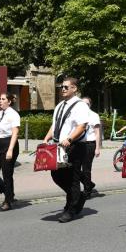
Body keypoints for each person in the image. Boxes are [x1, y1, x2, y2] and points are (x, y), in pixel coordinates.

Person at [42, 77, 90, 223]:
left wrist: (69, 139)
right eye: (61, 87)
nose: (62, 89)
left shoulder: (80, 105)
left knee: (72, 178)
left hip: (74, 146)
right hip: (58, 146)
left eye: (66, 87)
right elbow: (55, 125)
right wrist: (46, 138)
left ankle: (71, 210)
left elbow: (81, 126)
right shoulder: (60, 106)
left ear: (74, 89)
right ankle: (77, 197)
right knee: (56, 175)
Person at [0, 93, 21, 210]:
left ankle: (8, 201)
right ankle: (9, 193)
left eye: (3, 99)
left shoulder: (13, 114)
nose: (0, 101)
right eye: (0, 99)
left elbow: (15, 133)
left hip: (9, 144)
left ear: (9, 101)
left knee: (7, 174)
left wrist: (10, 150)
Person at [81, 96, 101, 199]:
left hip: (90, 144)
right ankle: (89, 183)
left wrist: (97, 148)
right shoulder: (78, 115)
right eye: (82, 104)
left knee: (86, 169)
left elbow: (97, 133)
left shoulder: (94, 116)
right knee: (74, 168)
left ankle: (87, 191)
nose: (85, 106)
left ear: (90, 105)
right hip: (79, 144)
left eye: (87, 104)